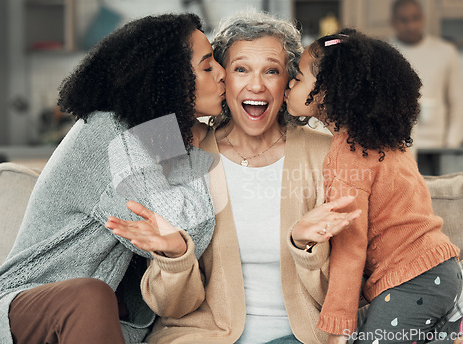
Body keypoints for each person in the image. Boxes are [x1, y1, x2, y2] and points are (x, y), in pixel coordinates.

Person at [107, 11, 361, 344]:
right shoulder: (185, 152)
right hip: (200, 337)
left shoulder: (328, 155)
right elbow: (171, 306)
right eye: (241, 69)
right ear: (224, 79)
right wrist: (174, 257)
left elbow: (348, 288)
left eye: (272, 70)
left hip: (300, 336)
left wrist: (306, 248)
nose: (256, 85)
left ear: (289, 83)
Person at [0, 13, 226, 344]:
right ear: (168, 79)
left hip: (96, 321)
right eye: (208, 67)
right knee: (90, 295)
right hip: (22, 312)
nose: (222, 73)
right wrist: (195, 143)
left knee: (96, 299)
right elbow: (186, 229)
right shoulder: (110, 133)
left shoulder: (155, 134)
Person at [285, 29, 463, 344]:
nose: (290, 82)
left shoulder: (347, 156)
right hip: (435, 272)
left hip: (413, 279)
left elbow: (349, 247)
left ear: (329, 93)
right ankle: (455, 335)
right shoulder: (382, 142)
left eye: (298, 76)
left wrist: (338, 326)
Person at [390, 0, 463, 150]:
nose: (410, 26)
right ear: (392, 21)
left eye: (415, 18)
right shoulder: (385, 53)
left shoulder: (445, 52)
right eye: (403, 20)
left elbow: (458, 101)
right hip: (396, 145)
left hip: (438, 145)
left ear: (423, 18)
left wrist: (452, 143)